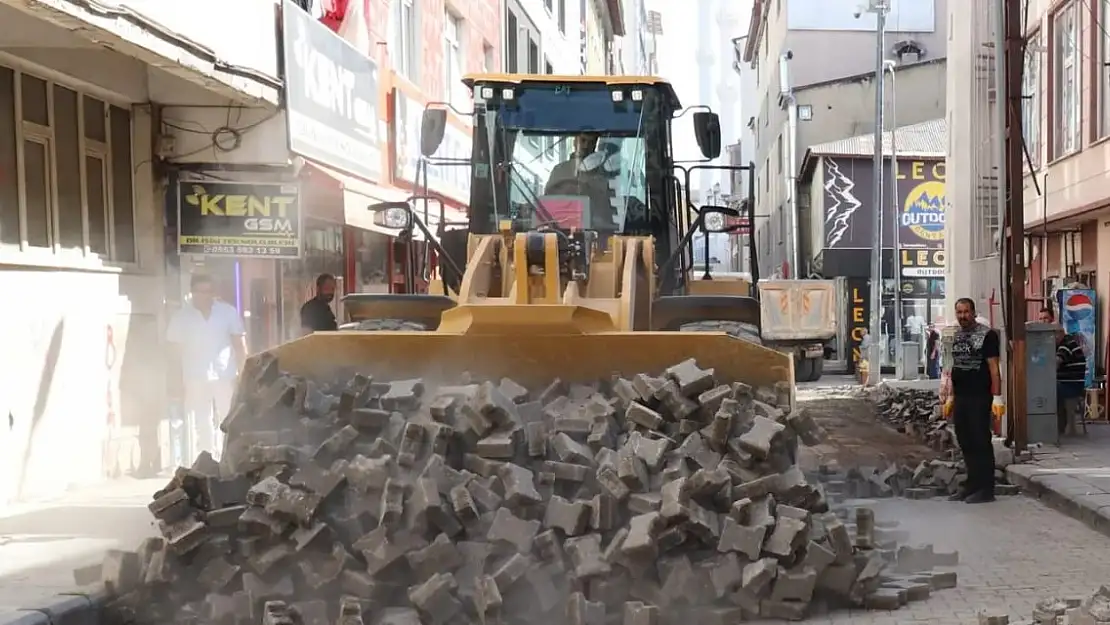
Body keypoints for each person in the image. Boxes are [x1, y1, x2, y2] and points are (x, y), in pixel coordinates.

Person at [167, 273, 247, 460]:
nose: (206, 296)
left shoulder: (227, 312)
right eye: (201, 292)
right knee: (199, 421)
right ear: (192, 292)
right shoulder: (181, 317)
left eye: (209, 292)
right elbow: (174, 352)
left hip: (224, 375)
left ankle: (227, 459)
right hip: (195, 376)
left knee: (228, 419)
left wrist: (244, 374)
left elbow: (239, 344)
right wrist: (175, 379)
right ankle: (204, 460)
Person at [948, 298, 1001, 504]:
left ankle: (986, 489)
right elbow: (955, 366)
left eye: (966, 312)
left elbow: (994, 368)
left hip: (979, 396)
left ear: (974, 312)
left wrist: (997, 397)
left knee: (980, 441)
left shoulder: (987, 335)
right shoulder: (958, 335)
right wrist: (951, 396)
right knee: (965, 440)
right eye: (959, 312)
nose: (963, 316)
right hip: (961, 396)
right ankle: (972, 484)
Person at [1055, 323, 1087, 436]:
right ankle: (1059, 426)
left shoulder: (1066, 345)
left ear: (1059, 334)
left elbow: (1055, 363)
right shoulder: (1070, 342)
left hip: (1071, 386)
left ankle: (1057, 427)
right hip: (1074, 385)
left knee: (1048, 391)